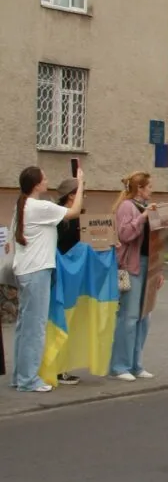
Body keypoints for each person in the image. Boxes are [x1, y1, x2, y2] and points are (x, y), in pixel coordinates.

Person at [9, 166, 84, 392]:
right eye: (44, 178)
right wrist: (80, 183)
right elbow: (74, 211)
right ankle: (28, 380)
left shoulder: (23, 205)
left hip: (26, 270)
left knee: (25, 326)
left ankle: (20, 376)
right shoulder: (39, 207)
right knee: (35, 328)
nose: (47, 180)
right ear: (36, 184)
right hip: (37, 271)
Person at [110, 171, 160, 382]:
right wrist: (143, 217)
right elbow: (125, 234)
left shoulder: (145, 207)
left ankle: (136, 364)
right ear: (139, 188)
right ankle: (119, 365)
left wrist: (158, 270)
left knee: (144, 317)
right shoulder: (127, 206)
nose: (151, 190)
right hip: (131, 266)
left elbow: (156, 240)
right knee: (129, 317)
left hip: (149, 264)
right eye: (149, 187)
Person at [54, 177, 83, 385]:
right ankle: (58, 368)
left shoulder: (75, 218)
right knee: (61, 321)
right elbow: (65, 246)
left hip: (72, 275)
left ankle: (62, 366)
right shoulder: (63, 219)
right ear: (71, 196)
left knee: (69, 321)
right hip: (64, 275)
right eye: (81, 192)